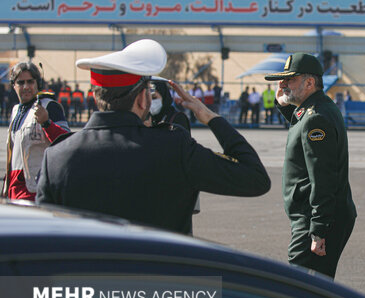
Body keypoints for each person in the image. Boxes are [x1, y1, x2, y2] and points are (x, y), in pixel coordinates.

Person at [36, 39, 271, 235]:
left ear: (95, 96)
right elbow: (255, 178)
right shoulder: (173, 148)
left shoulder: (55, 158)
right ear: (142, 99)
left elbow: (45, 242)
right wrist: (211, 117)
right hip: (165, 288)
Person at [265, 52, 356, 278]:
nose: (282, 84)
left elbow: (323, 178)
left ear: (309, 82)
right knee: (314, 291)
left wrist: (318, 229)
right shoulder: (316, 109)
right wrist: (283, 102)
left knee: (301, 289)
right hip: (316, 214)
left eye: (290, 80)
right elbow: (300, 123)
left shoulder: (316, 117)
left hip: (315, 217)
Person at [2, 62, 69, 201]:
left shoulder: (50, 107)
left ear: (37, 83)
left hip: (37, 192)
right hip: (14, 191)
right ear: (13, 85)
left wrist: (47, 123)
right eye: (21, 82)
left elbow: (67, 143)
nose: (26, 86)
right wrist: (6, 186)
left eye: (30, 82)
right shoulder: (15, 111)